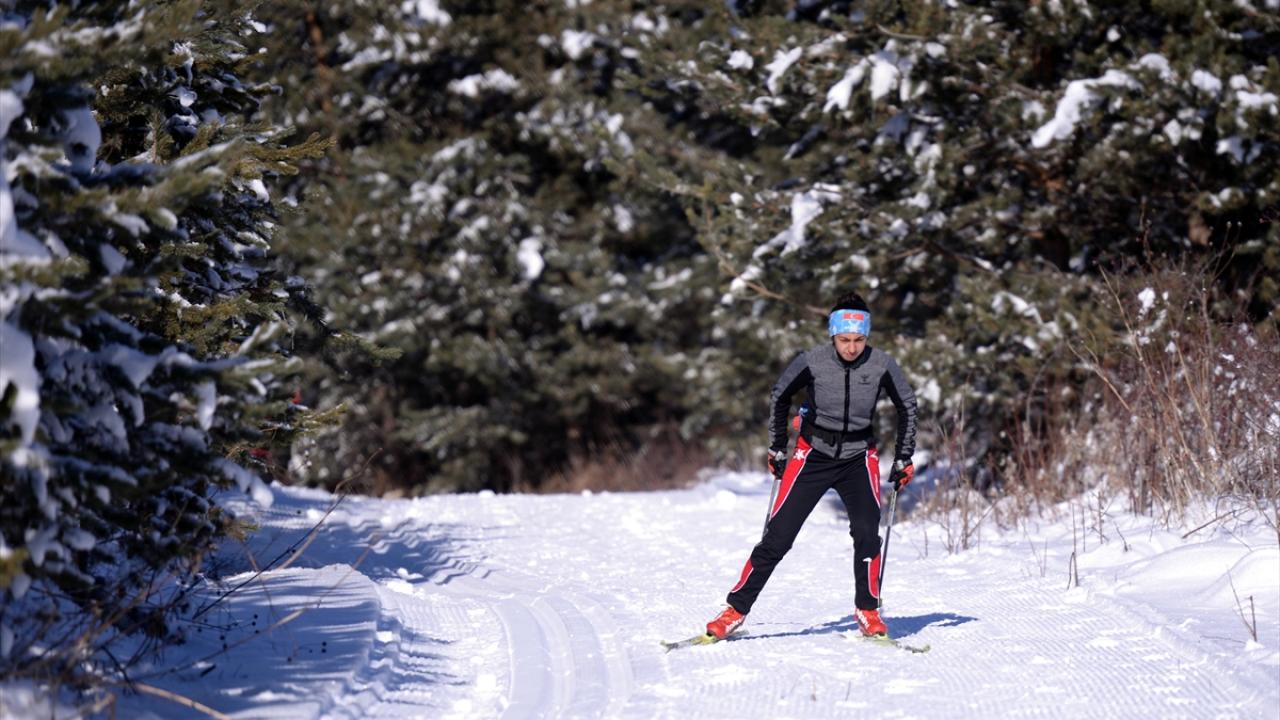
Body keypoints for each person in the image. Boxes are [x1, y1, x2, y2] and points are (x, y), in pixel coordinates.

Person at [705, 291, 918, 640]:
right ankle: (735, 610)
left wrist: (904, 456)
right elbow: (780, 395)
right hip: (812, 455)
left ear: (868, 336)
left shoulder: (881, 364)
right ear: (832, 335)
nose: (852, 347)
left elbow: (907, 405)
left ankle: (867, 610)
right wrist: (777, 449)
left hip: (858, 456)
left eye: (859, 340)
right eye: (845, 340)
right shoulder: (812, 361)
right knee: (779, 536)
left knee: (867, 533)